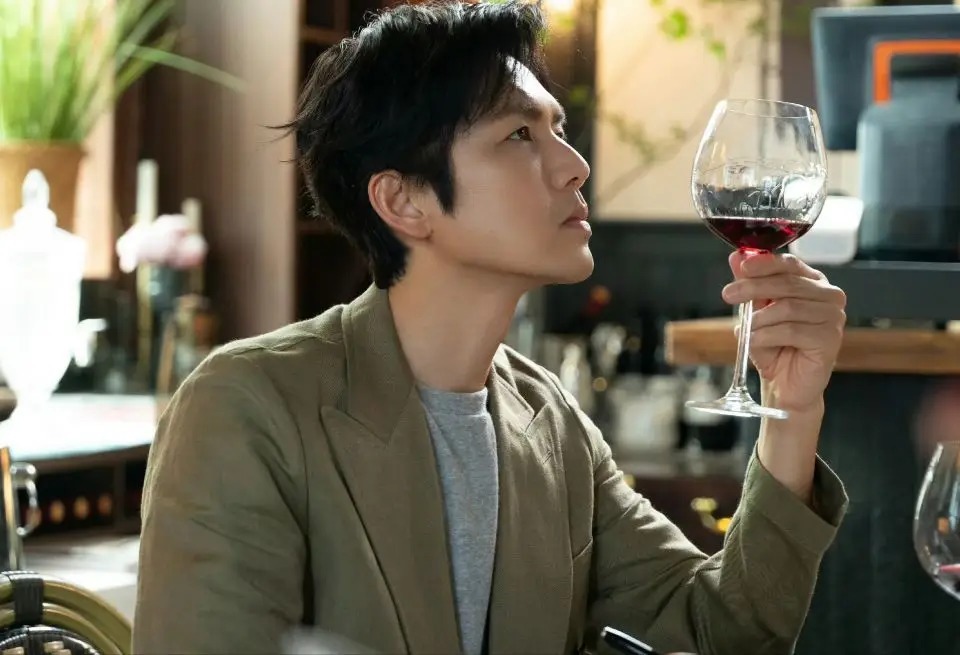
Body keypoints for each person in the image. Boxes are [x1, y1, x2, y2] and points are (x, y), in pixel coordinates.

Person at [132, 2, 849, 654]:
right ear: (403, 202)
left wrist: (792, 408)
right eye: (519, 134)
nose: (575, 167)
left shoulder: (552, 423)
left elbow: (720, 630)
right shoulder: (247, 408)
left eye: (557, 130)